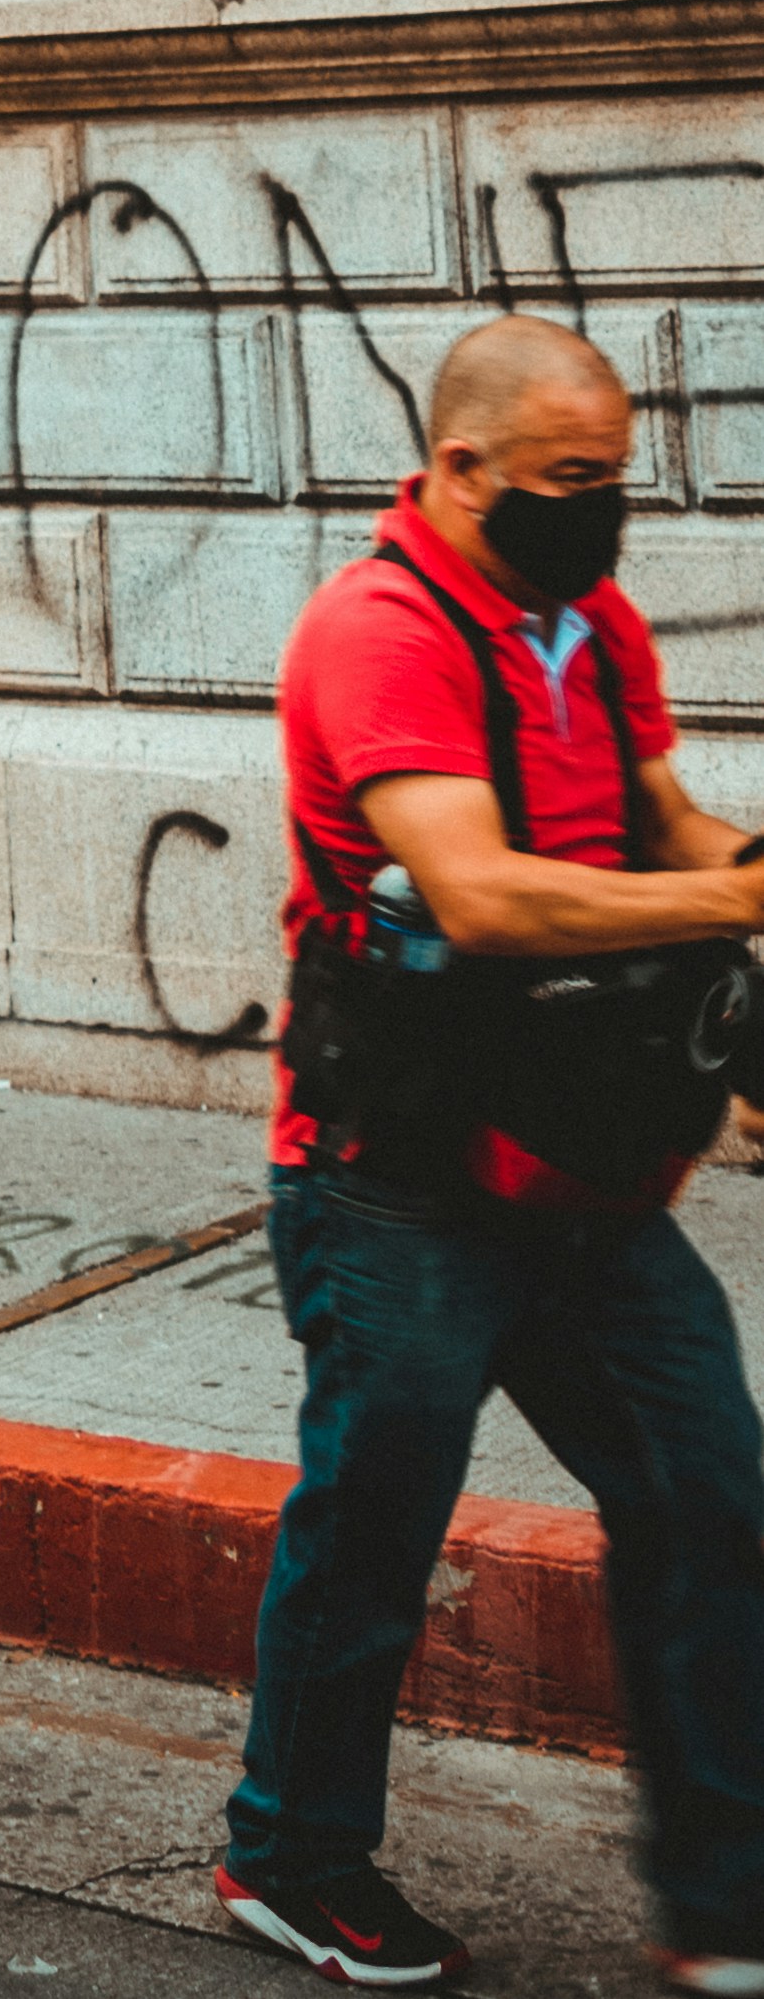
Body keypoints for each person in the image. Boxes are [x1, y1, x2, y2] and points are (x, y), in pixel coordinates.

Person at [217, 313, 764, 1994]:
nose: (601, 505)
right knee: (375, 1525)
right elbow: (480, 892)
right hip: (394, 1178)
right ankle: (289, 1855)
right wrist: (731, 894)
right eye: (567, 476)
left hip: (576, 1167)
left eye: (612, 473)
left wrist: (741, 864)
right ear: (460, 467)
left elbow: (662, 824)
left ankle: (725, 1895)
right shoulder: (376, 631)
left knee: (707, 1490)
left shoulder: (592, 625)